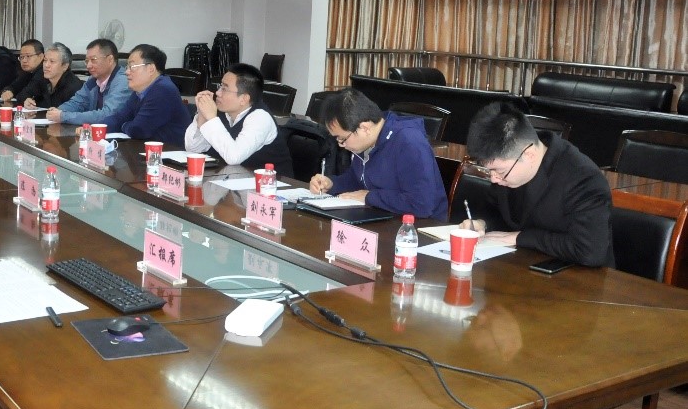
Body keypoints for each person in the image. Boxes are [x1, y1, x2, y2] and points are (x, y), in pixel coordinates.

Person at [462, 102, 613, 267]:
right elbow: (496, 210)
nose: (494, 179)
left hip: (580, 276)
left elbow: (590, 251)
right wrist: (482, 223)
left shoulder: (583, 178)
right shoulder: (508, 168)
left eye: (500, 171)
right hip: (522, 266)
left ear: (529, 155)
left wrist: (521, 237)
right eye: (489, 171)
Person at [308, 88, 447, 220]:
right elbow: (358, 180)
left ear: (364, 128)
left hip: (418, 228)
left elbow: (421, 204)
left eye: (342, 139)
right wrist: (332, 184)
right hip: (381, 217)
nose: (341, 145)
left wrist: (369, 197)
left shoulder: (409, 142)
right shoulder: (368, 141)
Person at [184, 63, 292, 175]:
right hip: (232, 178)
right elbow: (193, 149)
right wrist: (202, 116)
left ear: (244, 99)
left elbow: (233, 157)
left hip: (271, 183)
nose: (218, 93)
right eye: (220, 86)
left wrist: (211, 118)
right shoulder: (223, 110)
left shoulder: (260, 118)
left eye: (224, 89)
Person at [95, 44, 189, 147]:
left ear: (151, 69)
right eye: (127, 67)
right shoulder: (140, 91)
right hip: (146, 149)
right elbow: (120, 117)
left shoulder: (162, 90)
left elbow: (139, 130)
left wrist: (124, 125)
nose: (127, 72)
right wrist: (96, 128)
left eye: (132, 67)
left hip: (171, 152)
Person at [46, 38, 131, 125]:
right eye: (87, 61)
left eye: (93, 60)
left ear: (110, 60)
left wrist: (63, 116)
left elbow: (108, 115)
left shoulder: (123, 81)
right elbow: (77, 102)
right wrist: (57, 111)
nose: (89, 66)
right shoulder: (93, 80)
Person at [19, 42, 83, 109]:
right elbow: (23, 94)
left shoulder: (73, 87)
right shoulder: (41, 76)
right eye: (45, 60)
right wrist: (26, 101)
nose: (46, 65)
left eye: (52, 61)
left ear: (65, 66)